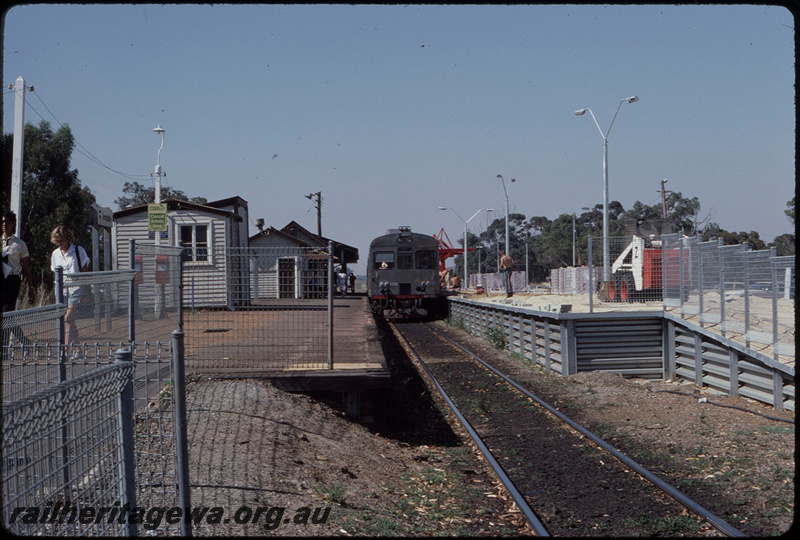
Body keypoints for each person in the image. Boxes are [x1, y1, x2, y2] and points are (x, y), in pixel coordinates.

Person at [50, 225, 90, 347]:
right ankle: (78, 349)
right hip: (61, 288)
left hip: (75, 287)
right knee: (69, 321)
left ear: (68, 238)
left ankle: (65, 351)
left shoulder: (78, 250)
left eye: (62, 240)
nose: (60, 243)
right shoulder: (55, 254)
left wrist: (85, 286)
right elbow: (55, 272)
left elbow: (84, 270)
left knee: (67, 318)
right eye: (57, 240)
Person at [2, 211, 35, 312]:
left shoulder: (20, 244)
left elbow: (26, 268)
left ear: (13, 224)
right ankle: (15, 329)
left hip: (12, 280)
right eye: (2, 222)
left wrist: (31, 288)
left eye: (7, 222)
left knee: (7, 311)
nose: (4, 224)